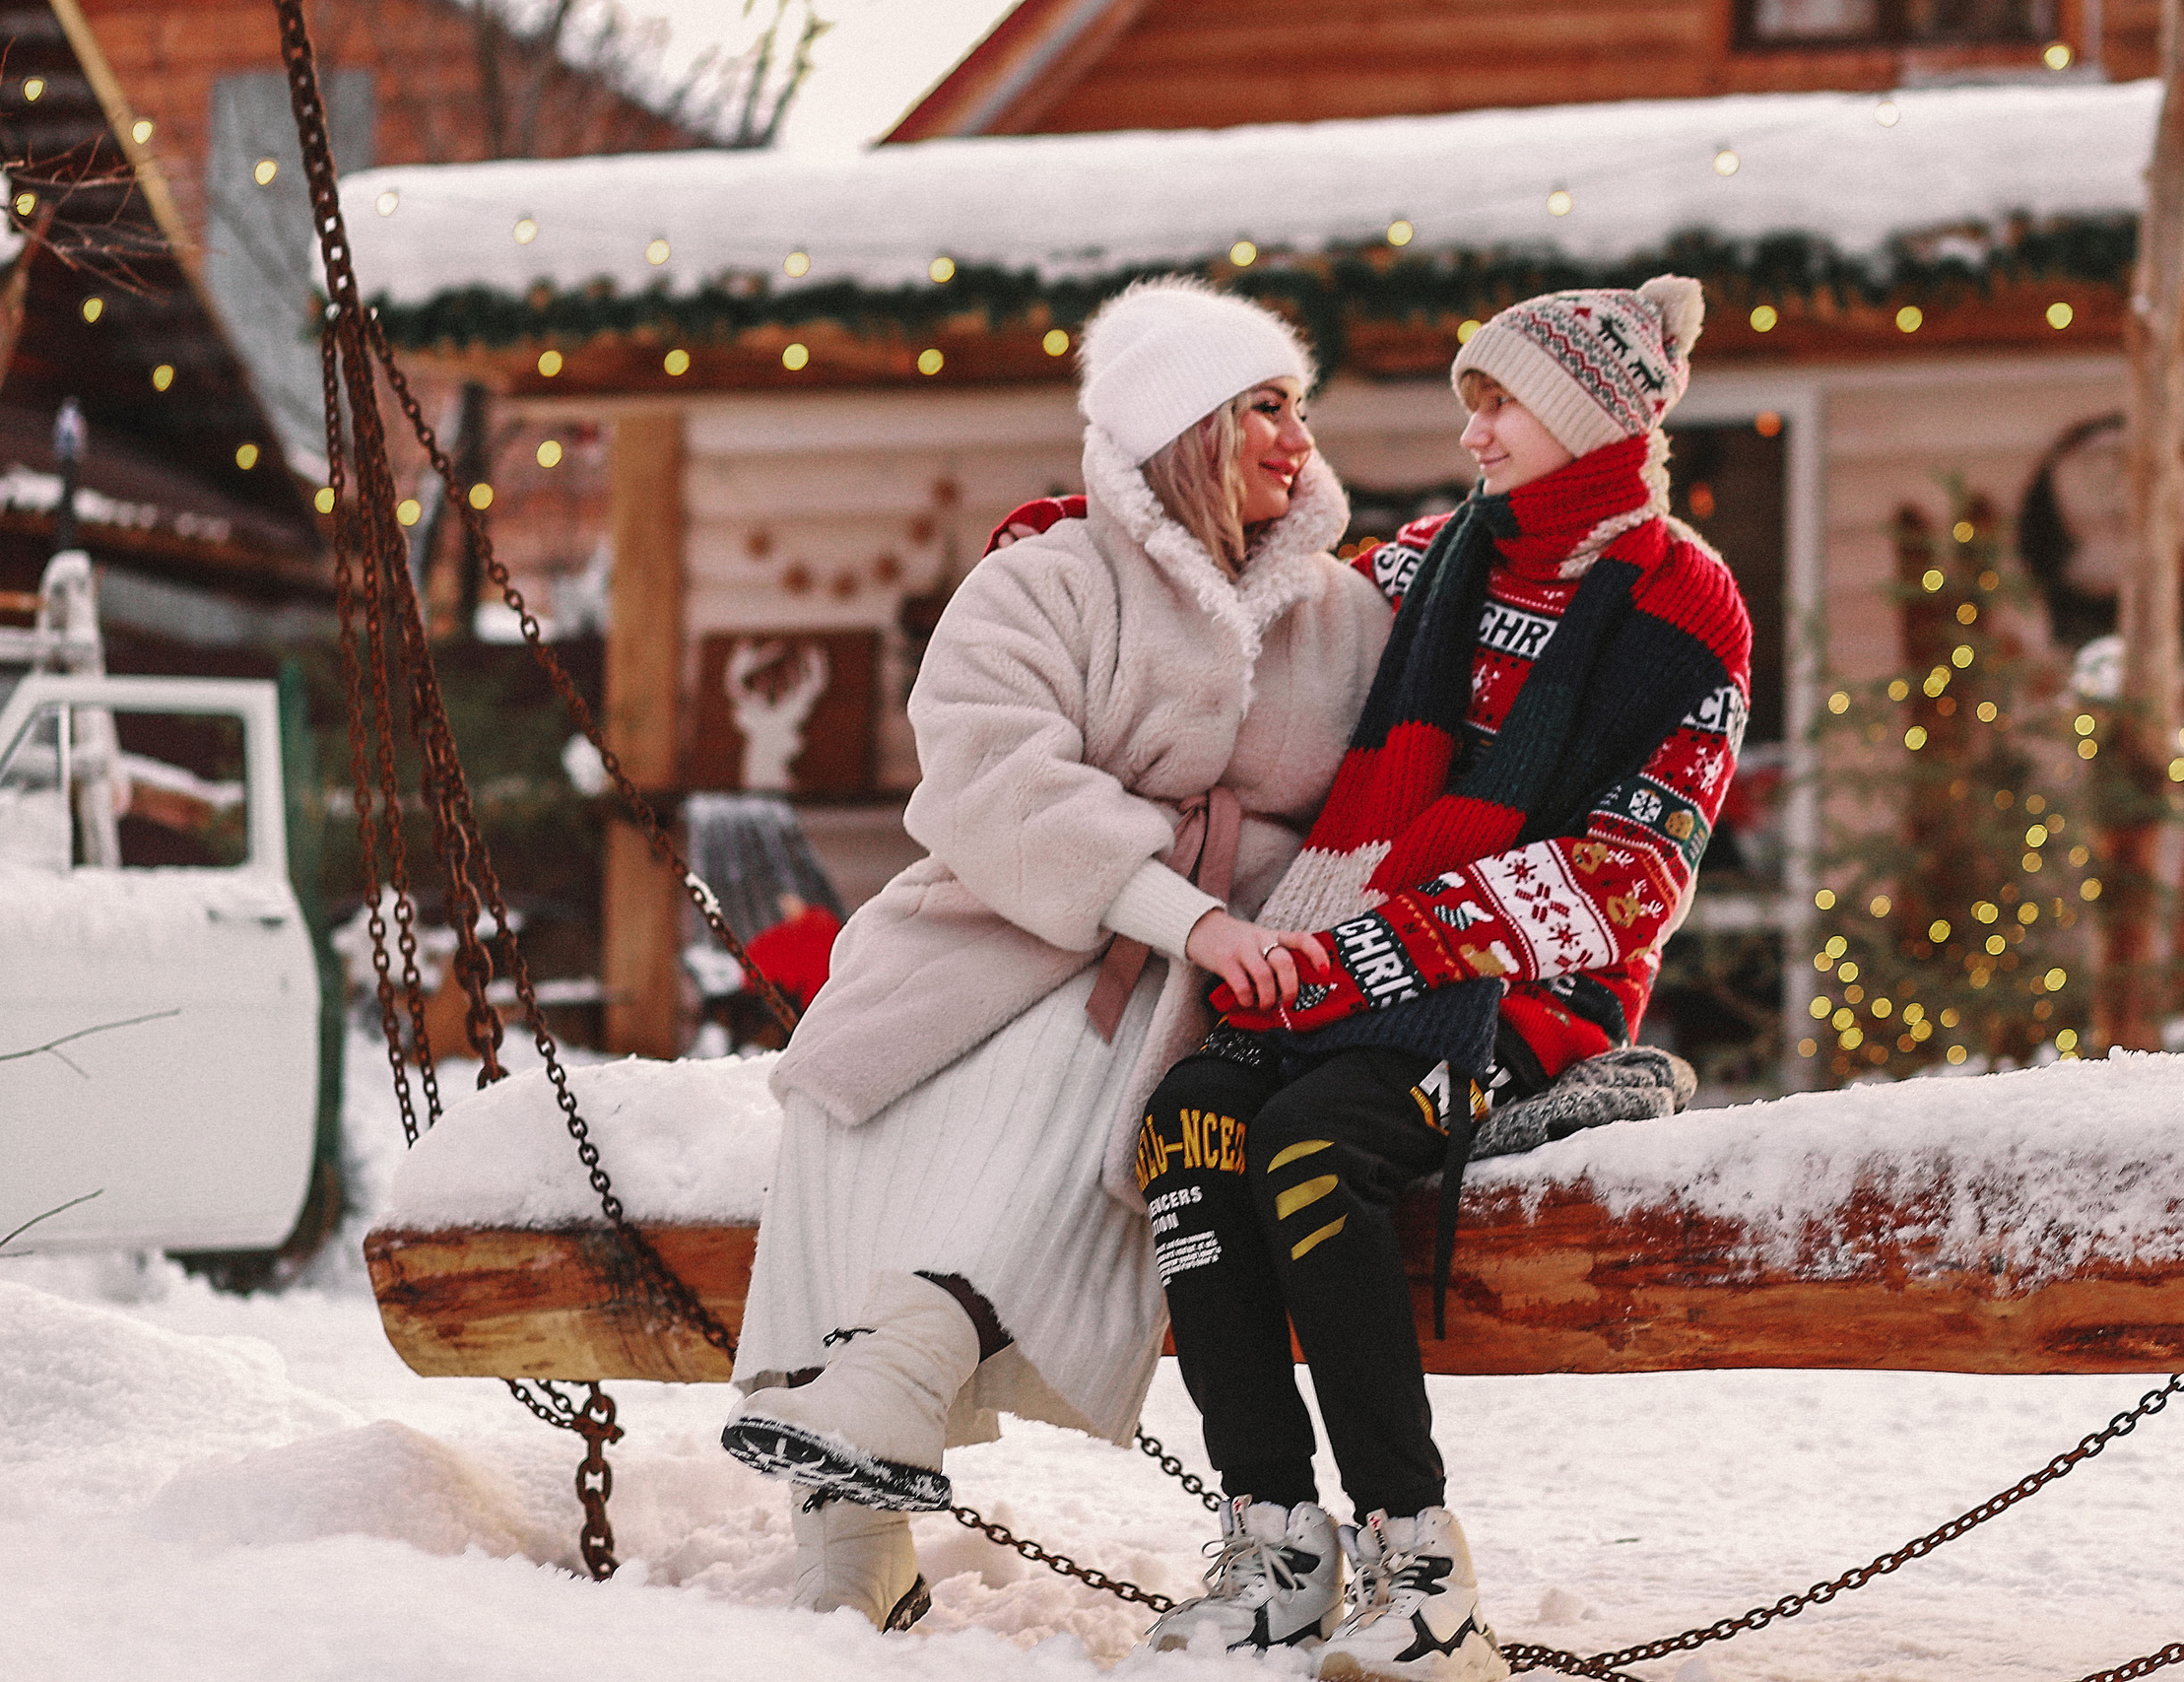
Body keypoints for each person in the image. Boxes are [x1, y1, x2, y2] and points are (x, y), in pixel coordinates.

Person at [719, 277, 1391, 1631]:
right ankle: (850, 1532)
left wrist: (1253, 936)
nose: (1292, 436)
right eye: (1262, 406)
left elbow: (1371, 811)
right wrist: (1173, 903)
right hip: (992, 927)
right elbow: (986, 777)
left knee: (1057, 1101)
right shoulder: (1045, 580)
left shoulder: (1349, 619)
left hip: (1199, 983)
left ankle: (901, 1373)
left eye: (1296, 407)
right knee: (862, 1110)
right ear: (1187, 428)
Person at [1128, 276, 1752, 1679]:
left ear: (1591, 413)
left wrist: (1401, 940)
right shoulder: (1421, 563)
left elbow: (1634, 876)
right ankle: (1276, 1539)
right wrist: (1086, 548)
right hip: (1336, 955)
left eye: (1500, 403)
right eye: (1470, 402)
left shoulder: (1684, 602)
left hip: (1521, 992)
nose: (1471, 432)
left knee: (1307, 1147)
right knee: (1188, 1128)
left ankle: (1421, 1563)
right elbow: (1243, 609)